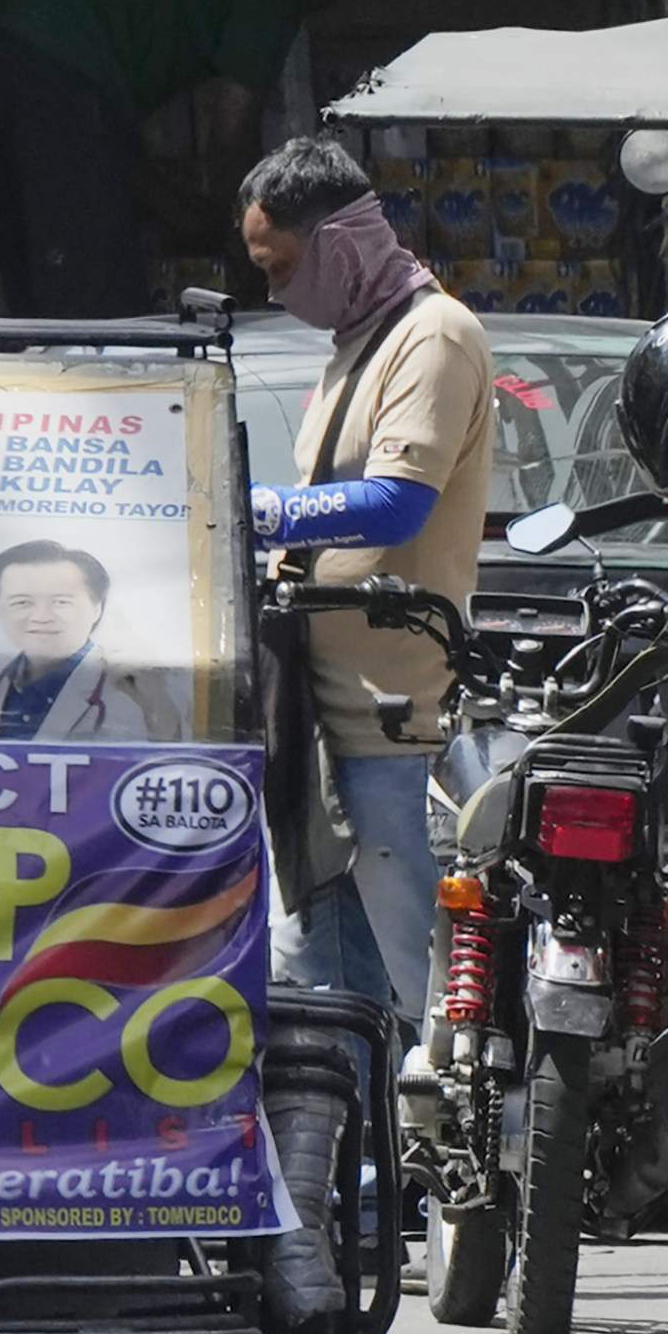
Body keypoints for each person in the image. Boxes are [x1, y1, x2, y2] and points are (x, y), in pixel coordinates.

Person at [237, 135, 490, 1029]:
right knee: (321, 993)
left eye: (281, 267)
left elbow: (393, 506)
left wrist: (261, 513)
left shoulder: (433, 336)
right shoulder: (358, 339)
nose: (273, 291)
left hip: (390, 726)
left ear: (339, 246)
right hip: (315, 723)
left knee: (428, 1003)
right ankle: (355, 1175)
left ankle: (439, 1174)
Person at [0, 0, 357, 319]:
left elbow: (106, 145)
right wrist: (250, 247)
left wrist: (176, 209)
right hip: (47, 60)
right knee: (97, 303)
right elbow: (232, 137)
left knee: (36, 277)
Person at [0, 541, 189, 741]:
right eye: (21, 603)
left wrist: (155, 701)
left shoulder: (146, 688)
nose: (42, 617)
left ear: (97, 608)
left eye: (61, 602)